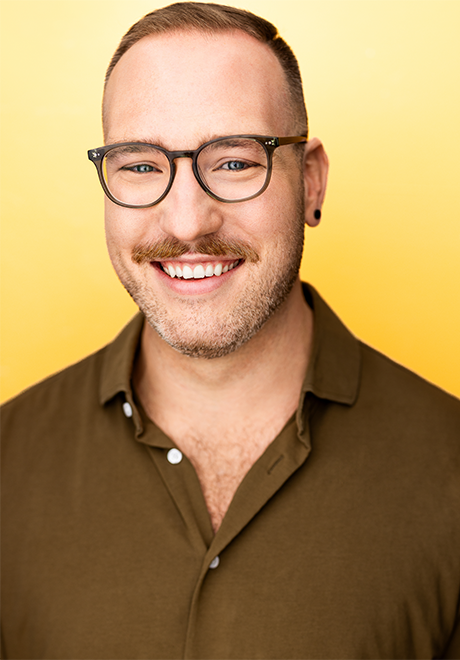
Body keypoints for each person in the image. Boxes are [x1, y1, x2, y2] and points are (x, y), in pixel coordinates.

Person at [1, 2, 459, 658]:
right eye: (139, 166)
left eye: (234, 162)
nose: (187, 222)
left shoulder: (449, 469)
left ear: (312, 181)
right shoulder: (8, 464)